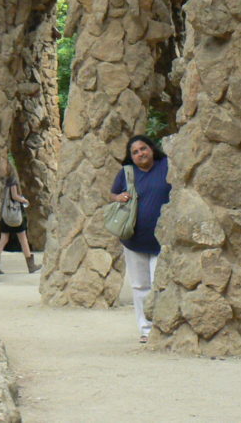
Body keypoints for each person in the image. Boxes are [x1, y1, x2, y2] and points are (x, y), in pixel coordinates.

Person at [109, 134, 171, 344]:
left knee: (158, 283)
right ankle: (145, 329)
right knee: (139, 285)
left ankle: (162, 327)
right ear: (131, 157)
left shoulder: (167, 166)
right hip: (134, 240)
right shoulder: (127, 174)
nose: (140, 154)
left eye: (143, 148)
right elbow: (113, 194)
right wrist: (119, 197)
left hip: (162, 241)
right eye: (135, 152)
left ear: (152, 149)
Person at [0, 165, 39, 274]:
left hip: (5, 215)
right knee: (23, 238)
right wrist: (24, 200)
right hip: (14, 215)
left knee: (4, 238)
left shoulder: (2, 181)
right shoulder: (12, 181)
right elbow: (14, 196)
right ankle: (31, 265)